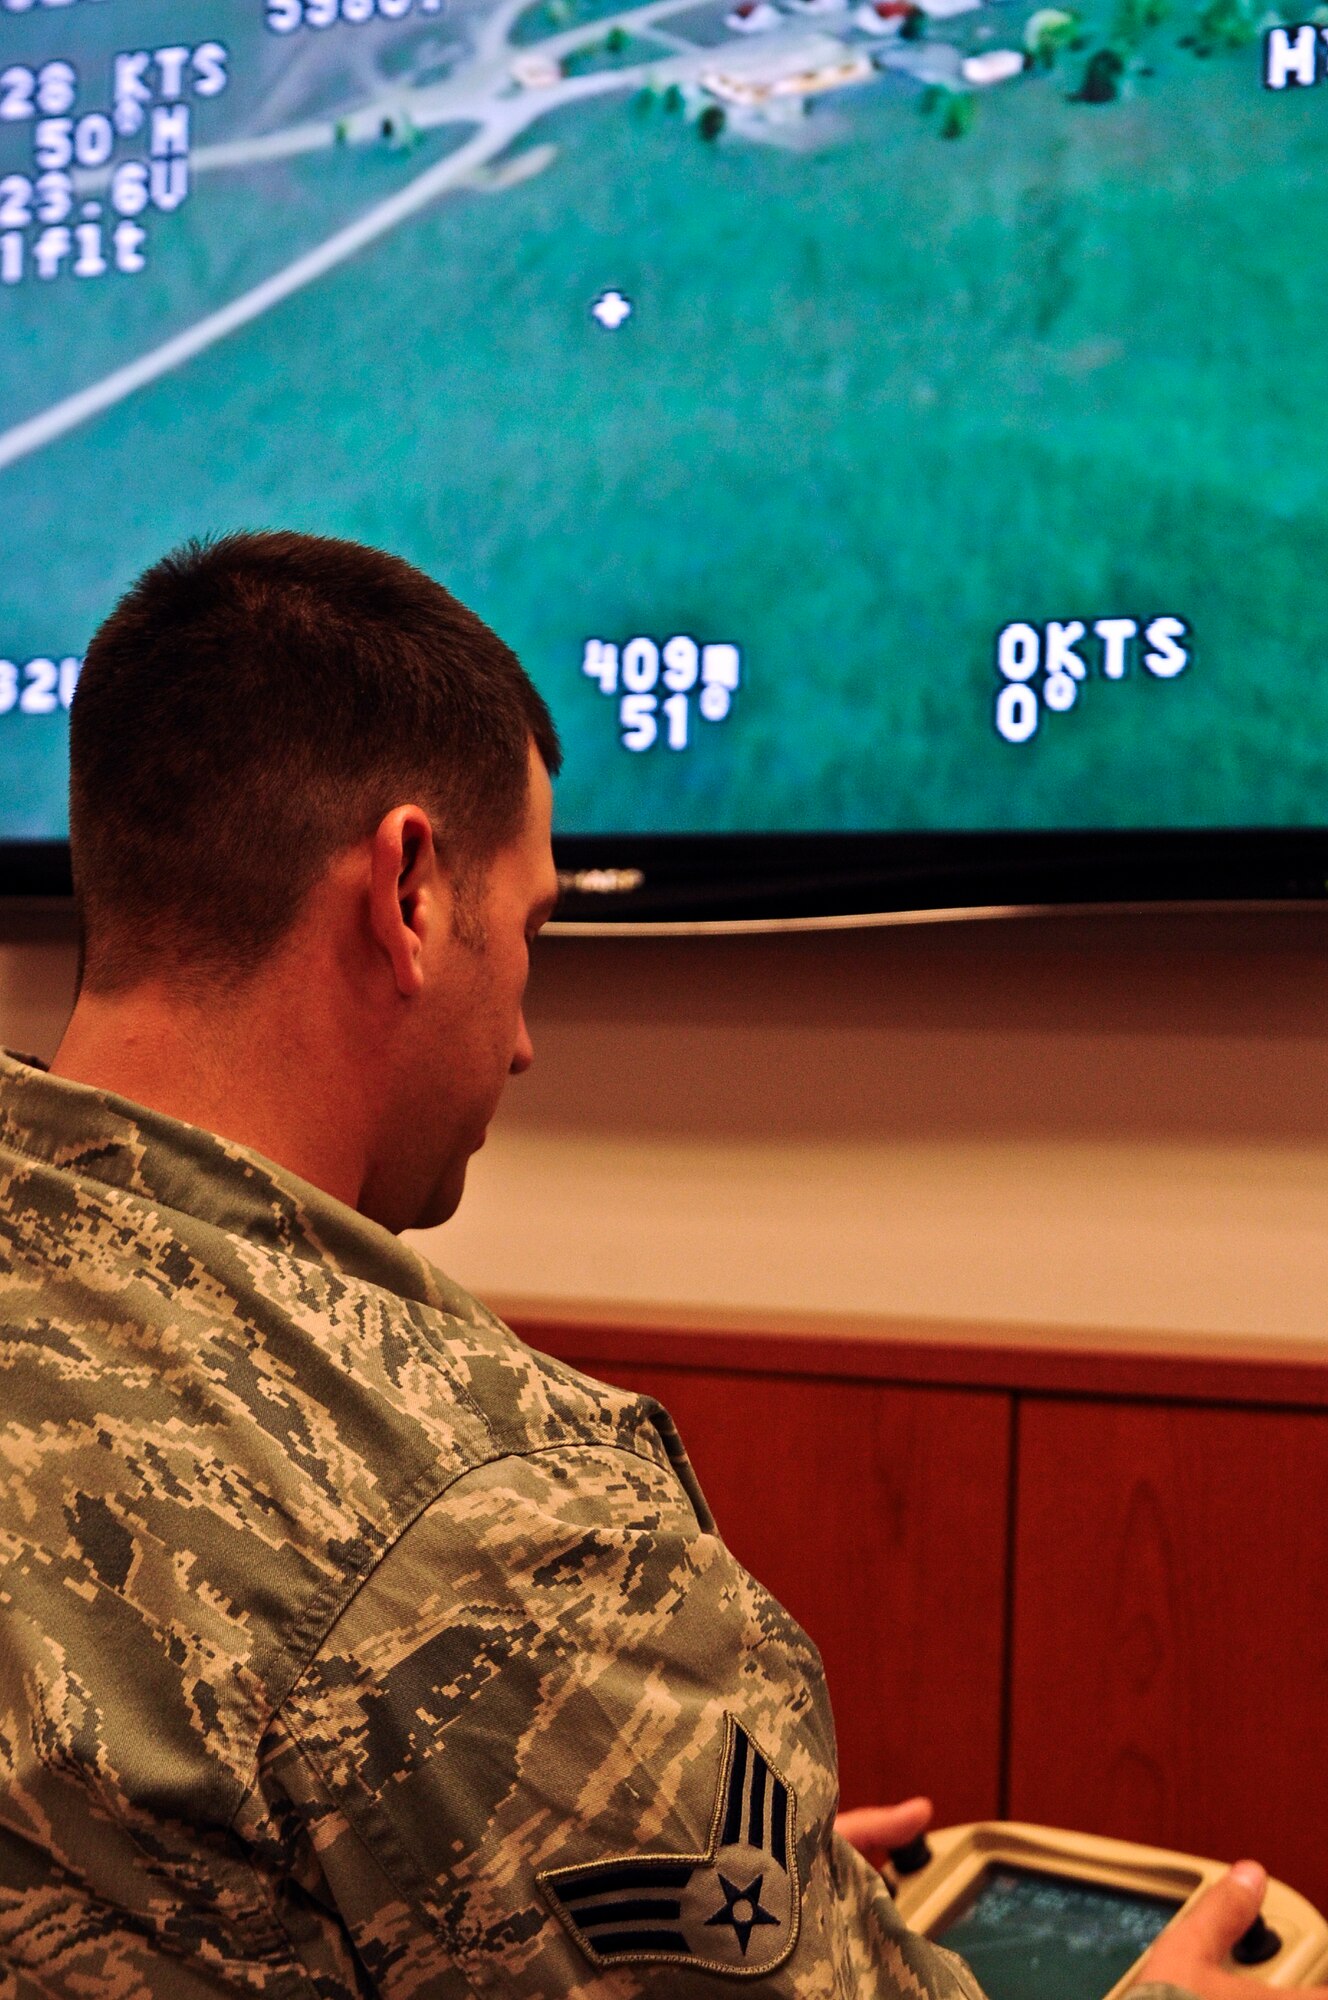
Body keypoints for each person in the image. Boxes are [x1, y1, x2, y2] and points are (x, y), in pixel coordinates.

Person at [0, 530, 1310, 1999]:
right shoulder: (496, 1534)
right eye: (534, 930)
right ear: (412, 891)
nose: (522, 1038)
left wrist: (682, 1842)